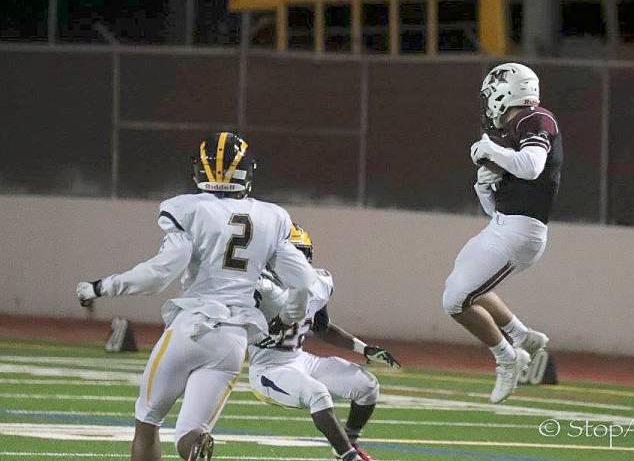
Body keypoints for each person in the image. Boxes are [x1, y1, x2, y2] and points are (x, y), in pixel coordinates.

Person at [74, 131, 317, 461]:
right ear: (248, 171)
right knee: (191, 434)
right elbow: (303, 279)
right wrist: (289, 316)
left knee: (148, 422)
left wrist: (102, 286)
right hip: (233, 341)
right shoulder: (272, 217)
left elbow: (161, 272)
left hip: (190, 329)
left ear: (199, 170)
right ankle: (196, 449)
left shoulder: (188, 209)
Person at [443, 63, 560, 403]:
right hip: (503, 225)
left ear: (506, 92)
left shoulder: (536, 119)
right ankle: (522, 337)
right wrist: (484, 187)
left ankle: (508, 358)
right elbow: (495, 210)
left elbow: (533, 166)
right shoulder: (509, 134)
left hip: (522, 233)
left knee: (454, 301)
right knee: (462, 288)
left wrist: (492, 152)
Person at [248, 224, 400, 461]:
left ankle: (347, 443)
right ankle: (350, 457)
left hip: (300, 359)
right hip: (269, 370)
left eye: (299, 254)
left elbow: (322, 328)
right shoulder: (261, 287)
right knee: (317, 393)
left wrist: (363, 348)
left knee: (366, 386)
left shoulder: (319, 283)